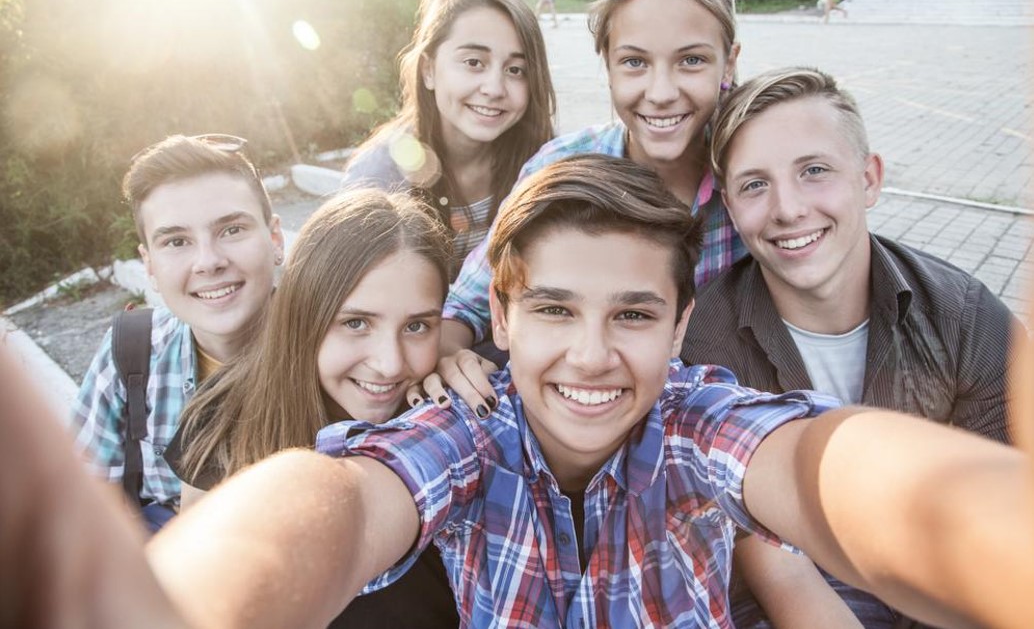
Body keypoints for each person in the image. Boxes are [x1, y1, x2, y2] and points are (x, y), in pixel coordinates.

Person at [0, 155, 1033, 628]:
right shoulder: (458, 433)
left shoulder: (695, 419)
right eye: (552, 311)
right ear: (497, 317)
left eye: (631, 315)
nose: (589, 356)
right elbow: (332, 501)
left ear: (679, 328)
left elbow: (821, 468)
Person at [681, 66, 1024, 628]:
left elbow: (1008, 505)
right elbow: (759, 560)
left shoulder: (962, 316)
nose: (788, 208)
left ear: (869, 179)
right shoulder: (702, 342)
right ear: (730, 205)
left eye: (814, 171)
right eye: (754, 185)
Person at [429, 0, 748, 408]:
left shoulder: (753, 174)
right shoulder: (561, 164)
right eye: (634, 62)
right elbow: (466, 304)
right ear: (607, 63)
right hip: (577, 411)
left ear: (728, 64)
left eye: (691, 60)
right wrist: (449, 356)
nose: (661, 93)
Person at [164, 191, 459, 628]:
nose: (390, 363)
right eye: (355, 323)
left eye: (417, 326)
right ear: (305, 314)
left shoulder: (452, 419)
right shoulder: (225, 417)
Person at [69, 134, 284, 532]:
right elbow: (80, 519)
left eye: (232, 230)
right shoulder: (130, 353)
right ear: (148, 264)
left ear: (275, 239)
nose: (208, 262)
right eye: (177, 241)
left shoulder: (340, 351)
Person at [341, 0, 556, 277]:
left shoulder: (546, 166)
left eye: (515, 70)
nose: (494, 88)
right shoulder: (377, 179)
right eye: (473, 62)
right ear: (428, 70)